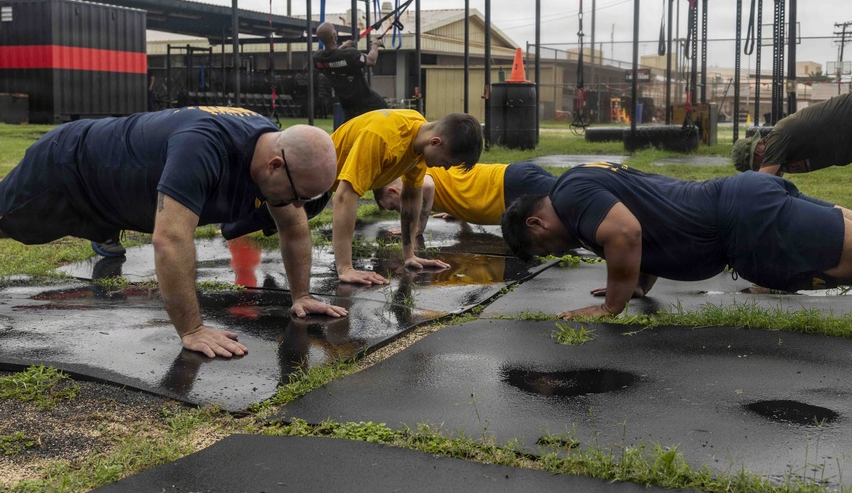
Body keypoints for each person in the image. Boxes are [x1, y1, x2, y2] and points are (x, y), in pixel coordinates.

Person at [0, 106, 347, 358]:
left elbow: (294, 227)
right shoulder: (206, 147)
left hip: (114, 186)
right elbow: (170, 239)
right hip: (72, 166)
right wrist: (192, 330)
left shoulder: (270, 147)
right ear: (276, 162)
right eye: (296, 193)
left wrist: (300, 295)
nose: (297, 208)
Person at [501, 162, 852, 320]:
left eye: (546, 247)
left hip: (744, 221)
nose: (560, 251)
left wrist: (612, 305)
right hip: (744, 203)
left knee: (845, 261)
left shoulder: (570, 197)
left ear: (536, 222)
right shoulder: (579, 184)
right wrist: (638, 284)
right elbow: (647, 216)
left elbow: (626, 233)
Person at [330, 108, 484, 285]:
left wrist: (409, 255)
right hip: (306, 180)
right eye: (447, 162)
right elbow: (343, 198)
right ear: (435, 142)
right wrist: (345, 268)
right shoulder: (383, 138)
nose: (447, 168)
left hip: (325, 184)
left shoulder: (419, 138)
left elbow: (411, 196)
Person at [373, 161, 557, 234]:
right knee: (571, 193)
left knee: (576, 198)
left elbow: (428, 186)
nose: (398, 211)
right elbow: (453, 182)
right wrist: (454, 209)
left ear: (393, 191)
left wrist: (417, 227)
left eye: (393, 207)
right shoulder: (416, 175)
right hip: (510, 178)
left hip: (507, 185)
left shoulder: (413, 180)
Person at [732, 92, 852, 175]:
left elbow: (762, 186)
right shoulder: (783, 157)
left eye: (757, 168)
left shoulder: (777, 138)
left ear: (757, 153)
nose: (759, 170)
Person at [313, 21, 388, 124]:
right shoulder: (350, 54)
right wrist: (375, 45)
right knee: (388, 116)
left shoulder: (318, 58)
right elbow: (371, 60)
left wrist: (343, 47)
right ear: (334, 35)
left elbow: (332, 58)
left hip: (347, 104)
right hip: (367, 101)